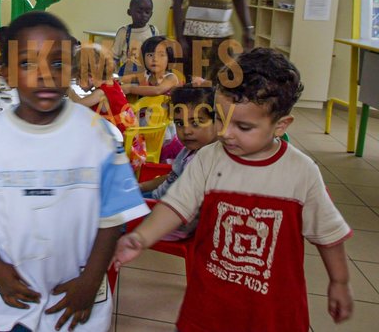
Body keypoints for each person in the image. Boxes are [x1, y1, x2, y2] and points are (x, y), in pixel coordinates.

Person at [114, 48, 353, 332]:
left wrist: (339, 282)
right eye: (220, 118)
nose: (226, 133)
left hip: (272, 307)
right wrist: (141, 236)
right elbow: (175, 206)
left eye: (243, 126)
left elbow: (328, 234)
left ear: (280, 126)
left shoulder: (301, 173)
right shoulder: (208, 157)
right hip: (210, 299)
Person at [0, 11, 148, 332]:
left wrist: (91, 280)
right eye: (27, 64)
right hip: (7, 291)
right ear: (7, 73)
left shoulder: (99, 136)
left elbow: (113, 219)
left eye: (57, 63)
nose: (45, 75)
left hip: (72, 294)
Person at [139, 86, 216, 239]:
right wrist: (140, 187)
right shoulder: (190, 151)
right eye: (180, 123)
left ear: (218, 122)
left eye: (196, 123)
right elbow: (172, 176)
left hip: (167, 221)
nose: (186, 131)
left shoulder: (206, 161)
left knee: (110, 216)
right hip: (157, 200)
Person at [68, 43, 133, 133]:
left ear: (90, 75)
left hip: (121, 143)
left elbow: (79, 105)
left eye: (78, 78)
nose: (77, 83)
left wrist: (69, 91)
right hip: (129, 137)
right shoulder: (111, 83)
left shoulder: (101, 93)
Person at [111, 0, 158, 72]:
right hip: (127, 75)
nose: (143, 15)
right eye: (139, 12)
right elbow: (114, 57)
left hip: (147, 76)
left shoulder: (153, 31)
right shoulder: (124, 32)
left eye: (147, 12)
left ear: (151, 14)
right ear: (129, 12)